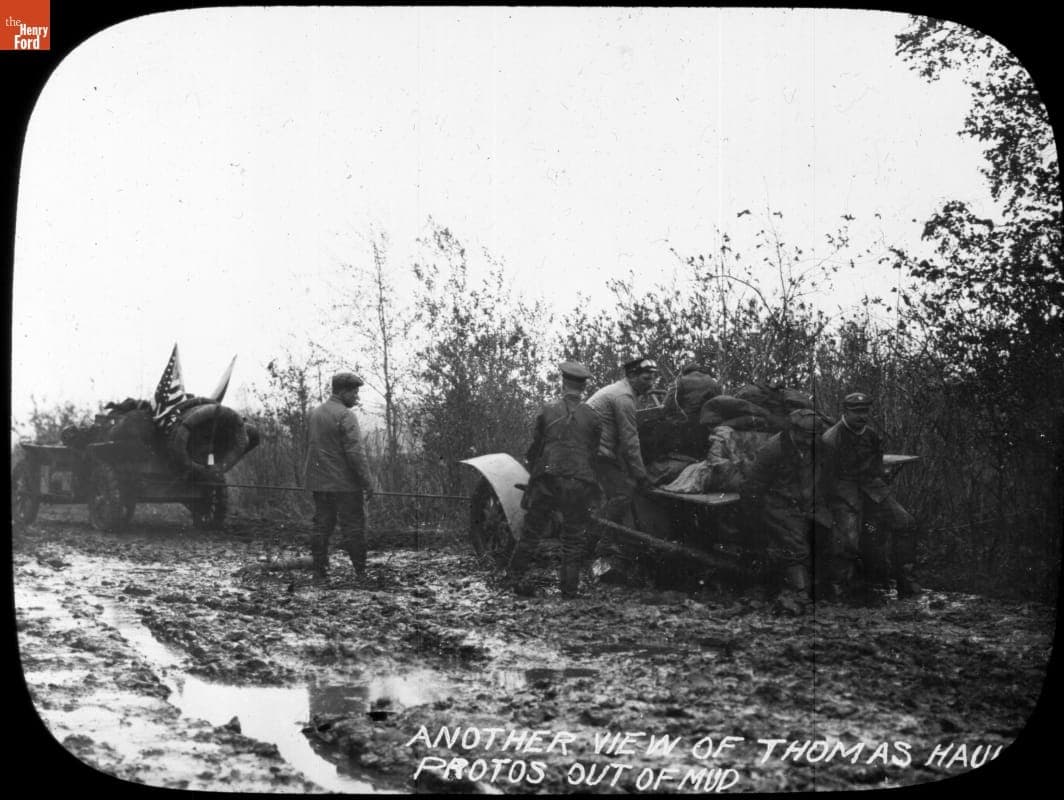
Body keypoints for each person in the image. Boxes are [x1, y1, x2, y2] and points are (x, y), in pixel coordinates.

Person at [507, 361, 602, 597]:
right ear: (583, 387)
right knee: (572, 539)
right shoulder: (593, 416)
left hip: (548, 480)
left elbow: (536, 447)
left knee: (531, 532)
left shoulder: (547, 410)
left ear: (563, 383)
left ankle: (514, 579)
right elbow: (592, 452)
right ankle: (569, 591)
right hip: (579, 482)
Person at [821, 392, 920, 601]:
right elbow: (826, 479)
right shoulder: (831, 439)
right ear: (845, 412)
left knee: (905, 522)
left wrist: (881, 493)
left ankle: (907, 584)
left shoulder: (871, 435)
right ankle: (841, 591)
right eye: (856, 412)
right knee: (848, 538)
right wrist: (839, 505)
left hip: (871, 487)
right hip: (844, 490)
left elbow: (876, 467)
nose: (862, 416)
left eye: (865, 411)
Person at [742, 408, 832, 615]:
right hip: (778, 503)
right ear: (793, 431)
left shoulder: (819, 446)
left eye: (813, 438)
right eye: (805, 437)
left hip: (808, 503)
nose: (809, 442)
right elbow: (752, 488)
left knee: (832, 536)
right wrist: (758, 520)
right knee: (797, 546)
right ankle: (800, 595)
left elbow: (827, 476)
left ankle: (827, 589)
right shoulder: (773, 450)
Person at [303, 371, 377, 582]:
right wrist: (367, 482)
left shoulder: (316, 413)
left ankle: (318, 572)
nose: (357, 397)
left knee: (322, 526)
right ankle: (361, 573)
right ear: (342, 392)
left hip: (320, 483)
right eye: (354, 392)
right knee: (354, 527)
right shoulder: (346, 415)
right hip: (344, 484)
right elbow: (355, 453)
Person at [585, 357, 659, 526]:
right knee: (622, 494)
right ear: (632, 376)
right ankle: (597, 537)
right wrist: (641, 476)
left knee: (619, 487)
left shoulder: (620, 390)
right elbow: (630, 440)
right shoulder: (624, 397)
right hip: (596, 452)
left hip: (594, 448)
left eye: (654, 378)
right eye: (646, 379)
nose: (651, 384)